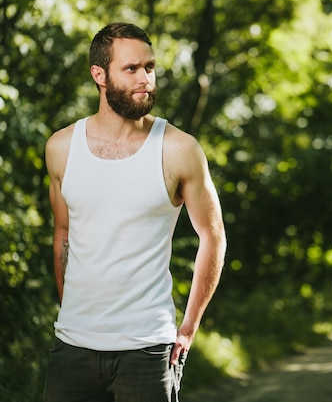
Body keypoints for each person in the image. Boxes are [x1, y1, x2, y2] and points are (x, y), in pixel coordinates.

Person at [43, 22, 227, 402]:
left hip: (148, 350)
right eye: (131, 69)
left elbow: (213, 236)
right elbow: (63, 234)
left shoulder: (179, 149)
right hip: (72, 348)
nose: (146, 79)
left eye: (150, 67)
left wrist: (189, 327)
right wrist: (73, 312)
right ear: (99, 75)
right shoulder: (61, 148)